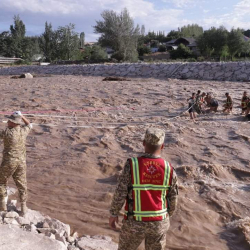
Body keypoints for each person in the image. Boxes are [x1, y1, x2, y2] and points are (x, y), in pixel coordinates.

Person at [109, 128, 178, 250]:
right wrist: (167, 217)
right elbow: (173, 199)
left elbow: (121, 192)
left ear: (144, 143)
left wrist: (114, 213)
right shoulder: (169, 168)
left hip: (134, 222)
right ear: (162, 146)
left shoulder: (132, 165)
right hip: (159, 222)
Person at [0, 111, 32, 215]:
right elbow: (29, 125)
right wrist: (22, 116)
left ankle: (3, 207)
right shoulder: (23, 131)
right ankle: (23, 209)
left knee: (1, 182)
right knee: (22, 184)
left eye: (10, 121)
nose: (8, 122)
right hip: (21, 163)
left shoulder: (6, 132)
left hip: (9, 162)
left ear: (13, 123)